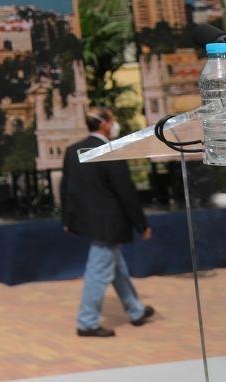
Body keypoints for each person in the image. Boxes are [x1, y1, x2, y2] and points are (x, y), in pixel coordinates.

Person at [60, 108, 157, 337]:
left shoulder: (72, 151)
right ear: (104, 124)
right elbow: (126, 192)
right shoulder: (111, 151)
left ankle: (136, 310)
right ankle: (87, 322)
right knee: (98, 272)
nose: (114, 124)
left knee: (117, 268)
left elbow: (66, 190)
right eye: (112, 120)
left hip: (90, 222)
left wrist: (68, 220)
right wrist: (141, 225)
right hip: (109, 224)